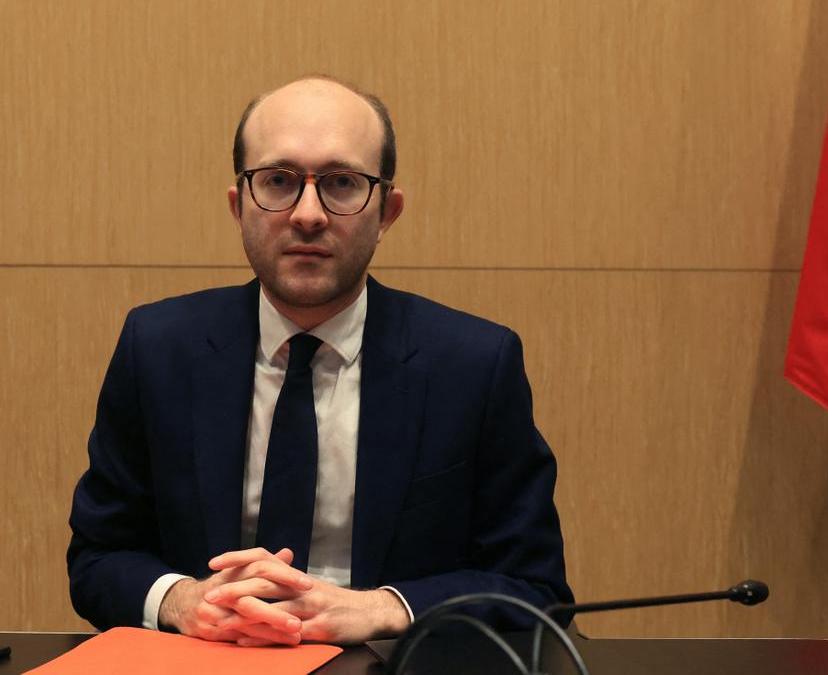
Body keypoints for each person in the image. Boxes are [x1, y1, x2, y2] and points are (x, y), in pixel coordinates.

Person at [66, 75, 571, 646]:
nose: (308, 214)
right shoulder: (158, 348)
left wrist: (383, 608)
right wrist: (183, 601)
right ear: (238, 206)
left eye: (342, 183)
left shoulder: (474, 365)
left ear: (387, 213)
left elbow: (534, 586)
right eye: (278, 181)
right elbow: (98, 557)